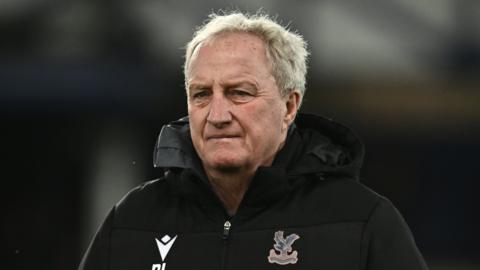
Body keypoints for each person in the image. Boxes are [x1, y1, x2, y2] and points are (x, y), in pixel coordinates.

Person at [79, 11, 429, 270]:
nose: (217, 115)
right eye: (201, 95)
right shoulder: (132, 222)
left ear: (290, 106)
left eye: (239, 93)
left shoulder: (362, 222)